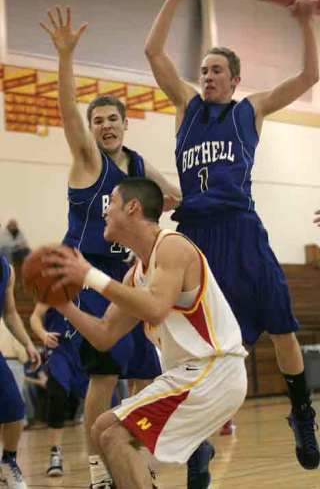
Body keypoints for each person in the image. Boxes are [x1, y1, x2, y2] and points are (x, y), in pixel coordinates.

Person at [144, 0, 320, 471]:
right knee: (202, 346)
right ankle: (199, 438)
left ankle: (302, 414)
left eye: (215, 70)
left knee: (282, 327)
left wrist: (306, 22)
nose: (206, 76)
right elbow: (154, 54)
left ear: (234, 79)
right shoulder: (186, 107)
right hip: (195, 238)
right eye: (202, 70)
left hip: (242, 230)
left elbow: (309, 76)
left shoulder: (252, 110)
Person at [40, 6, 178, 489]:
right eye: (97, 120)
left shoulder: (139, 167)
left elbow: (175, 197)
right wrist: (65, 58)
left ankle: (138, 468)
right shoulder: (86, 160)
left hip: (133, 278)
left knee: (145, 380)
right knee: (104, 380)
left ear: (124, 123)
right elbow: (66, 113)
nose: (104, 126)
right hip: (90, 279)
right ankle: (99, 473)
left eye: (111, 119)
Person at [42, 177, 248, 489]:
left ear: (133, 207)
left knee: (113, 434)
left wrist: (92, 277)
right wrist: (64, 306)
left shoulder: (172, 247)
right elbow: (104, 335)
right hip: (188, 374)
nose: (105, 212)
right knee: (102, 429)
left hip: (213, 371)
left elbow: (155, 308)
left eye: (111, 203)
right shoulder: (135, 274)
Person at [30, 302, 88, 477]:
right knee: (57, 395)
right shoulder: (54, 285)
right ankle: (56, 453)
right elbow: (35, 316)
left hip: (86, 347)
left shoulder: (93, 283)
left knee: (104, 401)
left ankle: (103, 455)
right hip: (59, 348)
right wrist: (42, 333)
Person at [0, 254, 40, 489]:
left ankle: (8, 461)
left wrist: (27, 343)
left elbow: (10, 312)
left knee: (15, 409)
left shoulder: (6, 268)